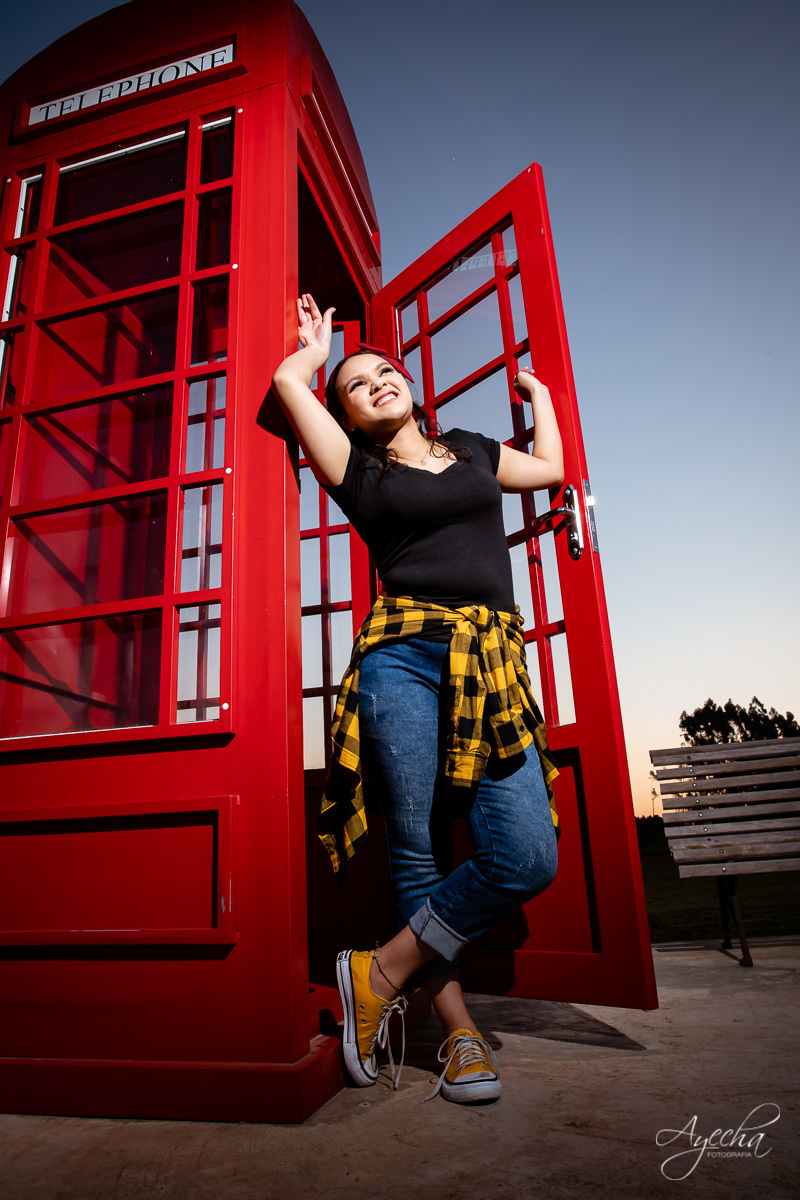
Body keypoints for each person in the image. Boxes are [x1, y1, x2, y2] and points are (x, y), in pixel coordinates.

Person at [271, 293, 564, 1105]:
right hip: (401, 657)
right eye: (357, 385)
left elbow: (552, 471)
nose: (376, 383)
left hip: (489, 658)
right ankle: (459, 1035)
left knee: (526, 854)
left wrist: (540, 401)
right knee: (416, 845)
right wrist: (318, 351)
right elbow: (289, 383)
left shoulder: (471, 448)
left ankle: (381, 970)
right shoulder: (357, 471)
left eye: (386, 371)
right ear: (350, 417)